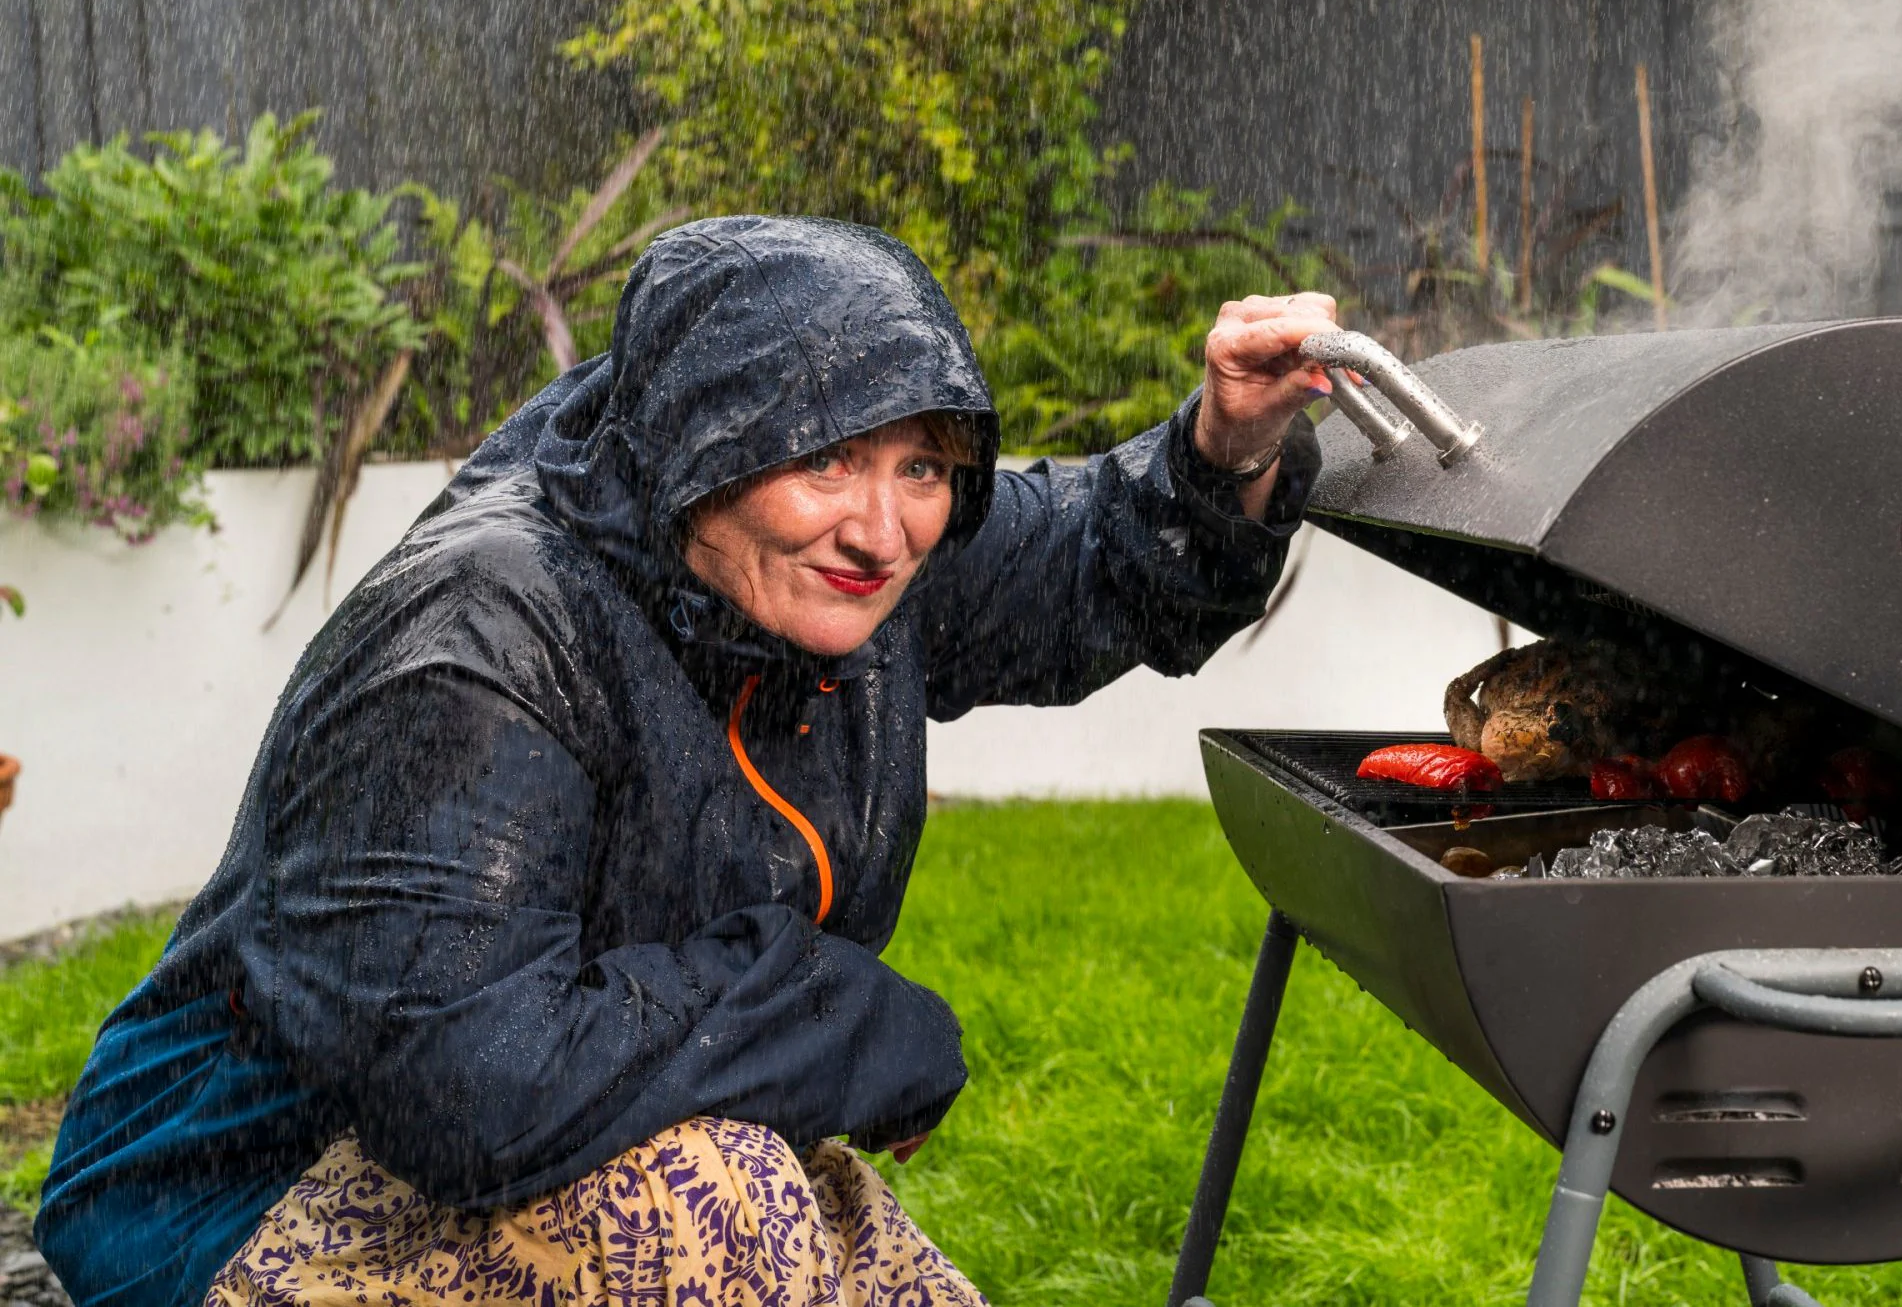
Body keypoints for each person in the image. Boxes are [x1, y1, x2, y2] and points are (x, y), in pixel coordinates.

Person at [36, 216, 1338, 1306]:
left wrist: (1228, 445)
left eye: (924, 465)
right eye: (826, 454)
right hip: (227, 1205)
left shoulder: (834, 565)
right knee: (720, 1211)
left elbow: (1088, 567)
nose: (882, 526)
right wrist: (831, 1012)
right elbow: (466, 1085)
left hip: (591, 1135)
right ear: (706, 437)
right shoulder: (479, 639)